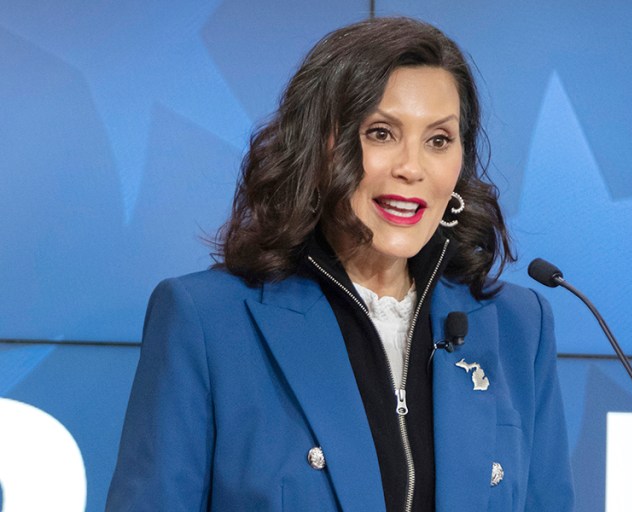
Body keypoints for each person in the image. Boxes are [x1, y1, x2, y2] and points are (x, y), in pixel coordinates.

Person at [107, 16, 574, 512]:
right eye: (380, 133)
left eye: (439, 140)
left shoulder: (519, 326)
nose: (412, 167)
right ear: (318, 147)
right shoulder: (206, 321)